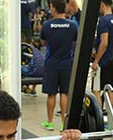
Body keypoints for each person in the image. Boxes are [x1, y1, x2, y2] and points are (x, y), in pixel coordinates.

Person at [40, 0, 78, 131]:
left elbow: (43, 43)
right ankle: (63, 123)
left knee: (51, 94)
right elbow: (75, 42)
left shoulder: (46, 25)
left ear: (54, 9)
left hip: (51, 63)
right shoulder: (72, 25)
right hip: (67, 63)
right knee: (64, 93)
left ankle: (50, 122)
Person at [91, 0, 113, 107]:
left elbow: (104, 43)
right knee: (110, 90)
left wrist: (96, 61)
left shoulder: (103, 21)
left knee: (96, 90)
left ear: (102, 4)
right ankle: (109, 118)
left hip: (103, 61)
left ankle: (99, 119)